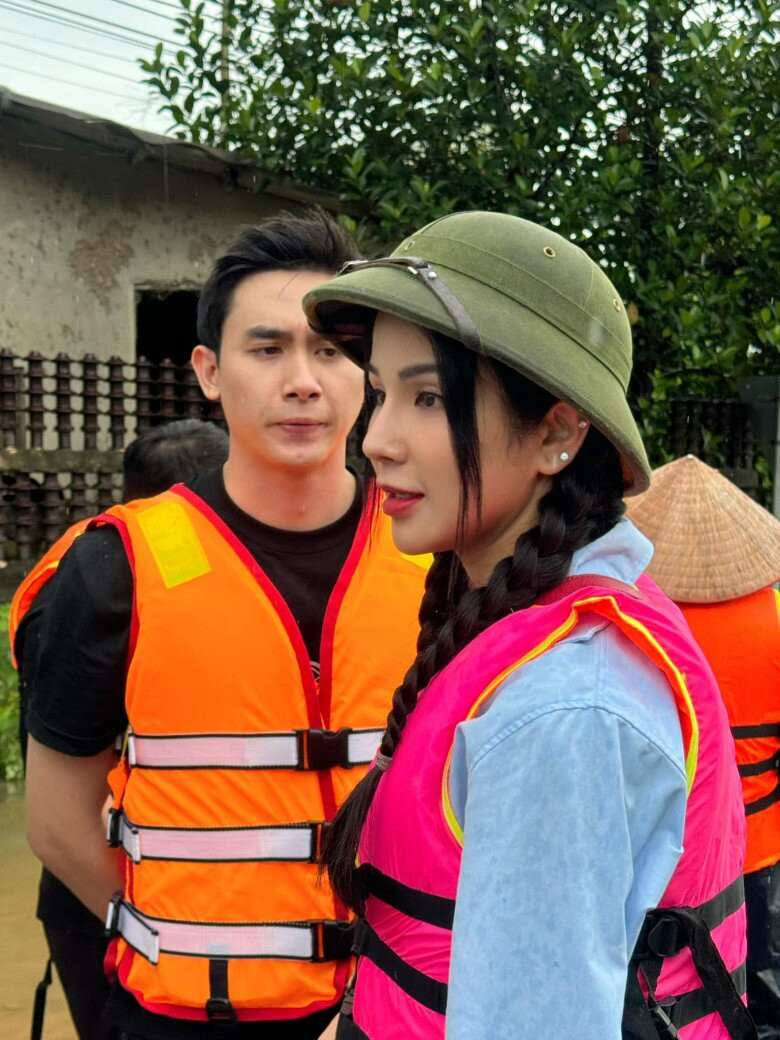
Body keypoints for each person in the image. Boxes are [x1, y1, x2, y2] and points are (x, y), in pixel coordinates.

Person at [303, 211, 756, 1039]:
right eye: (380, 393)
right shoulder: (524, 620)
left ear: (556, 433)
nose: (377, 440)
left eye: (429, 398)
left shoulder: (563, 707)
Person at [22, 210, 428, 1040]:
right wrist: (170, 937)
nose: (303, 381)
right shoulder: (117, 568)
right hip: (187, 1017)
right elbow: (57, 822)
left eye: (331, 352)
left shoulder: (434, 554)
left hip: (391, 1008)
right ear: (209, 370)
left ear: (368, 375)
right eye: (267, 349)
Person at [11, 419, 230, 1040]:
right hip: (110, 897)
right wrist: (144, 924)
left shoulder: (105, 575)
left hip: (159, 897)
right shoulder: (105, 595)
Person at [626, 454, 780, 1040]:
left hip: (655, 861)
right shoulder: (775, 617)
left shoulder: (632, 621)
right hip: (755, 849)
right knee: (749, 993)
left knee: (658, 1003)